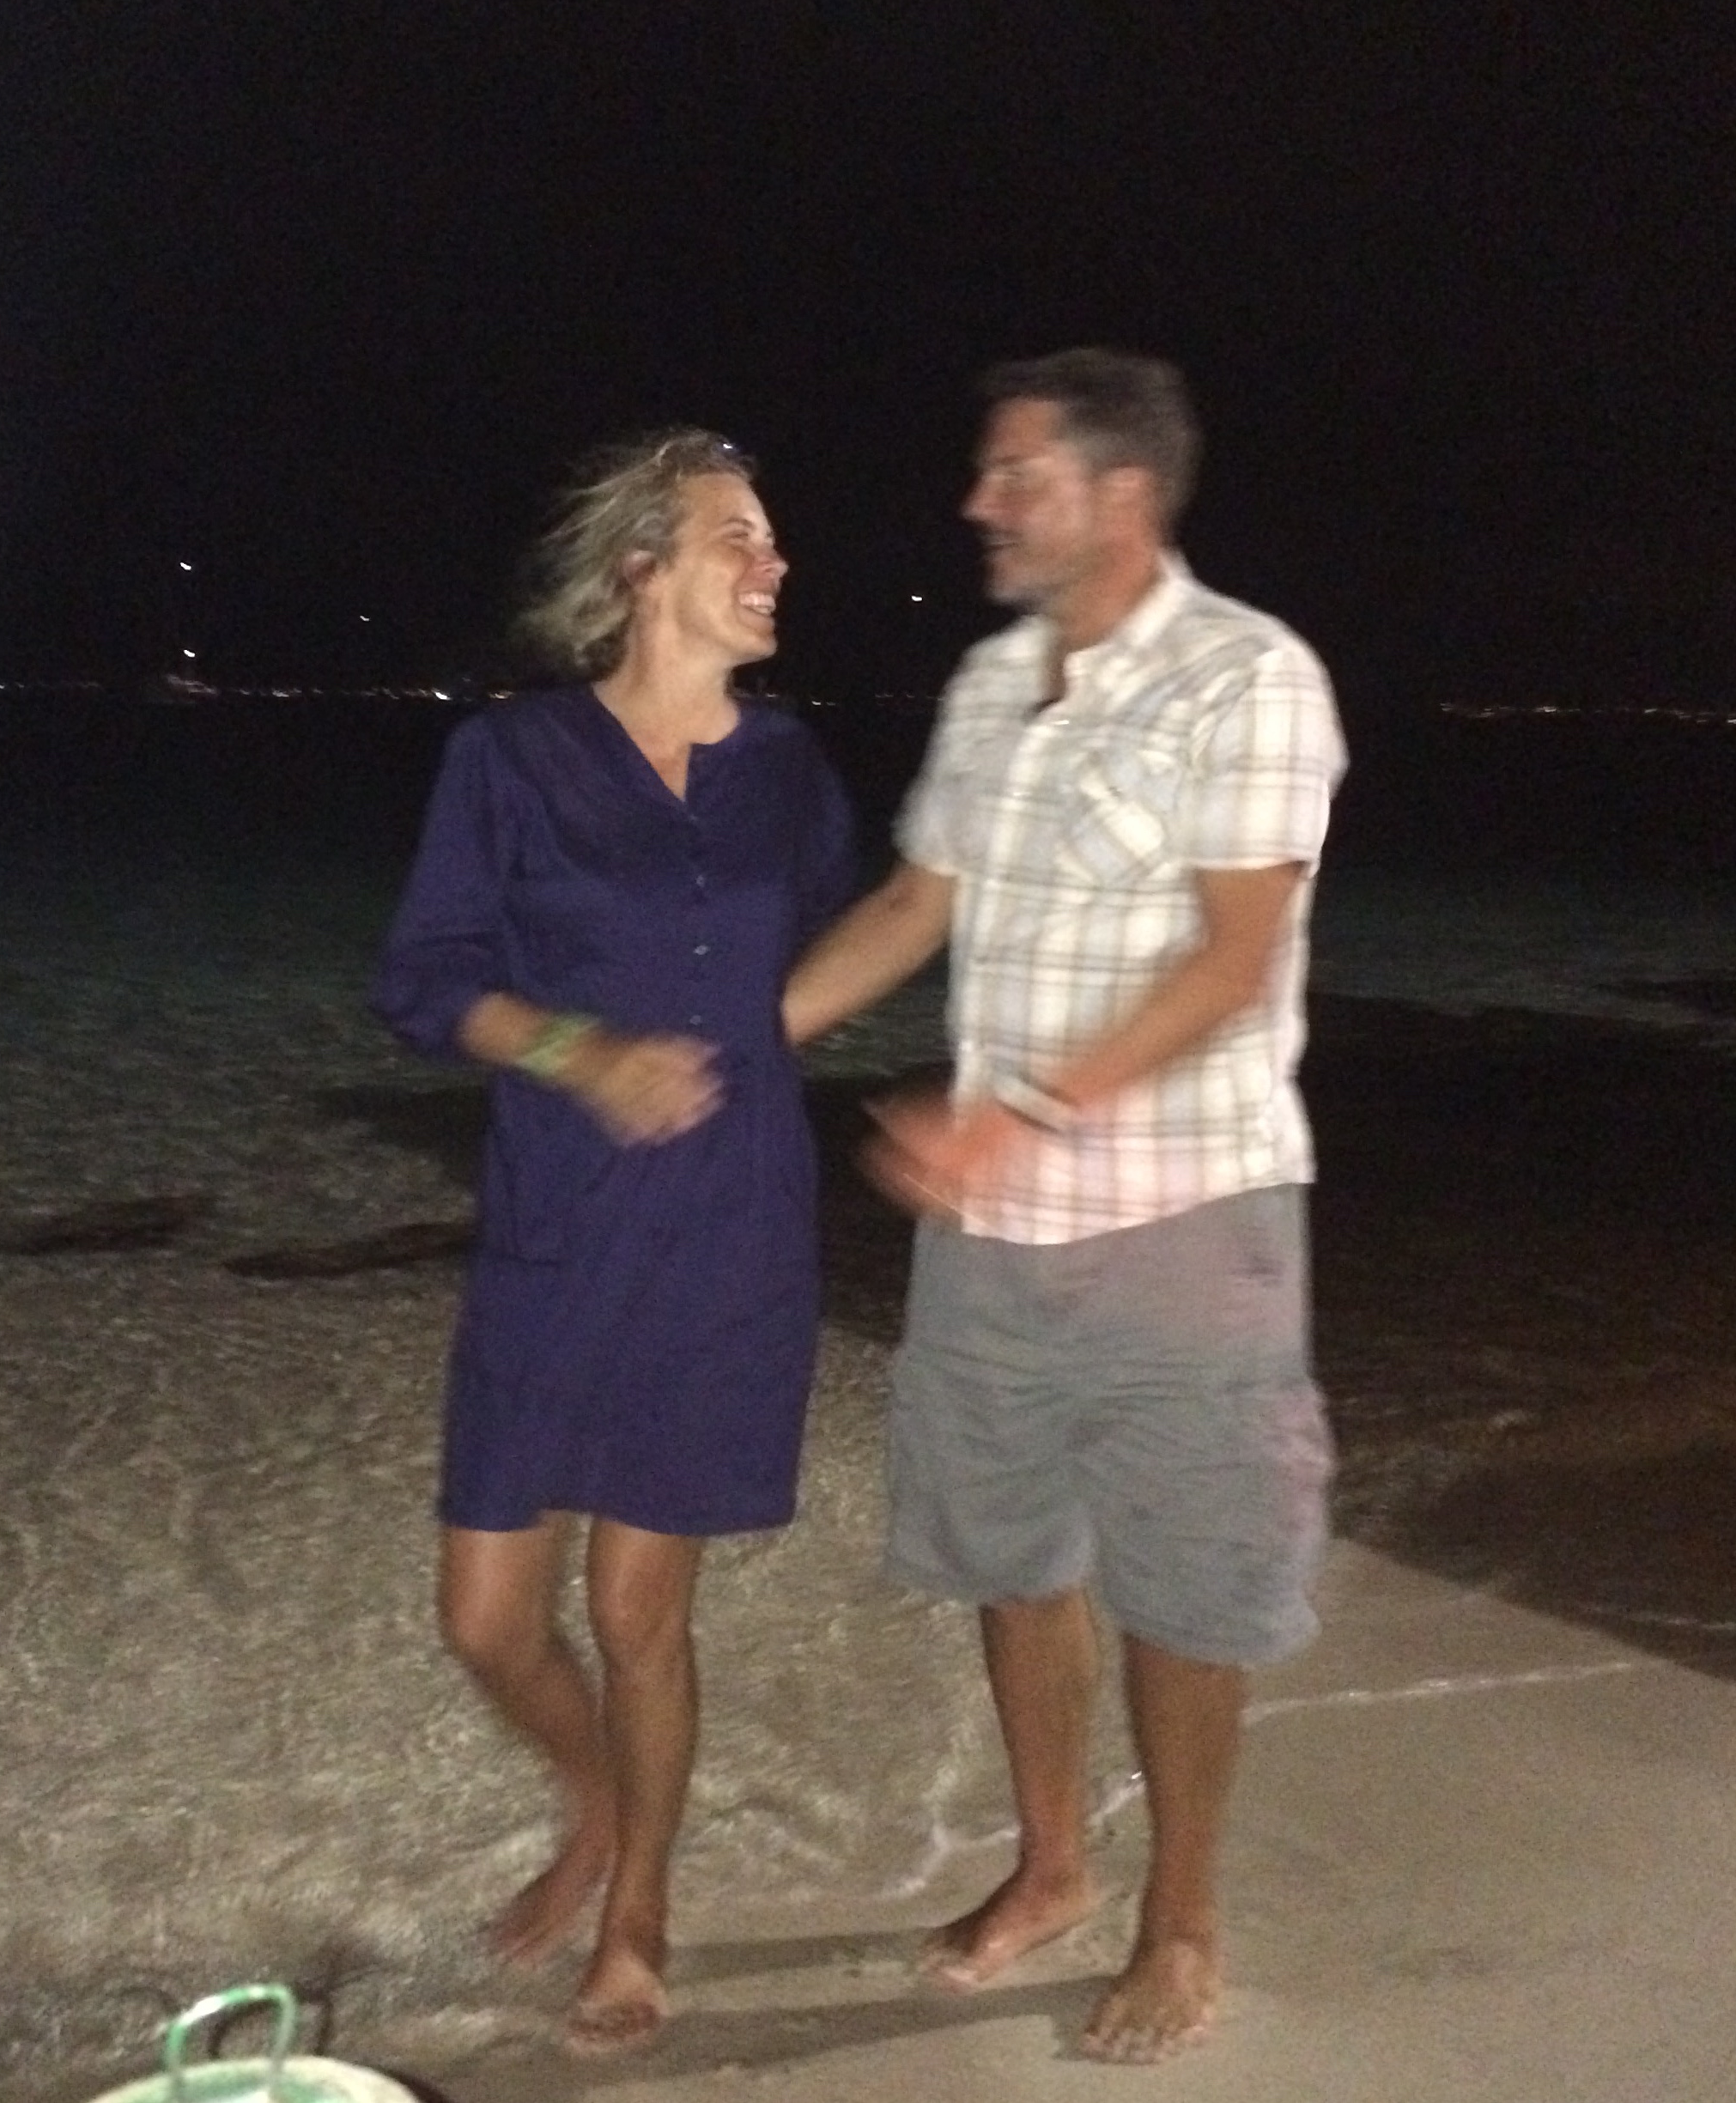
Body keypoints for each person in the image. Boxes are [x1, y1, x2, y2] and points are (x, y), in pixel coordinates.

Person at [782, 349, 1344, 2063]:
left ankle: (1181, 1920)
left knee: (1184, 1584)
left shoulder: (1248, 675)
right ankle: (1049, 1865)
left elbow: (1232, 960)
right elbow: (914, 902)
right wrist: (733, 1042)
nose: (978, 501)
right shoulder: (987, 684)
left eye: (1014, 473)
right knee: (1013, 1560)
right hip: (992, 1235)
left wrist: (1014, 1118)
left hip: (1188, 1219)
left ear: (1122, 492)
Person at [374, 429, 853, 2055]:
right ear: (641, 565)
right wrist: (582, 1050)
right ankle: (595, 1797)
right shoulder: (512, 755)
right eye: (739, 535)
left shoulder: (790, 769)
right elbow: (425, 978)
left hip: (730, 1230)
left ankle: (639, 1901)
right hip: (558, 1226)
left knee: (642, 1608)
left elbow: (833, 942)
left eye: (773, 538)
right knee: (488, 1618)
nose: (774, 563)